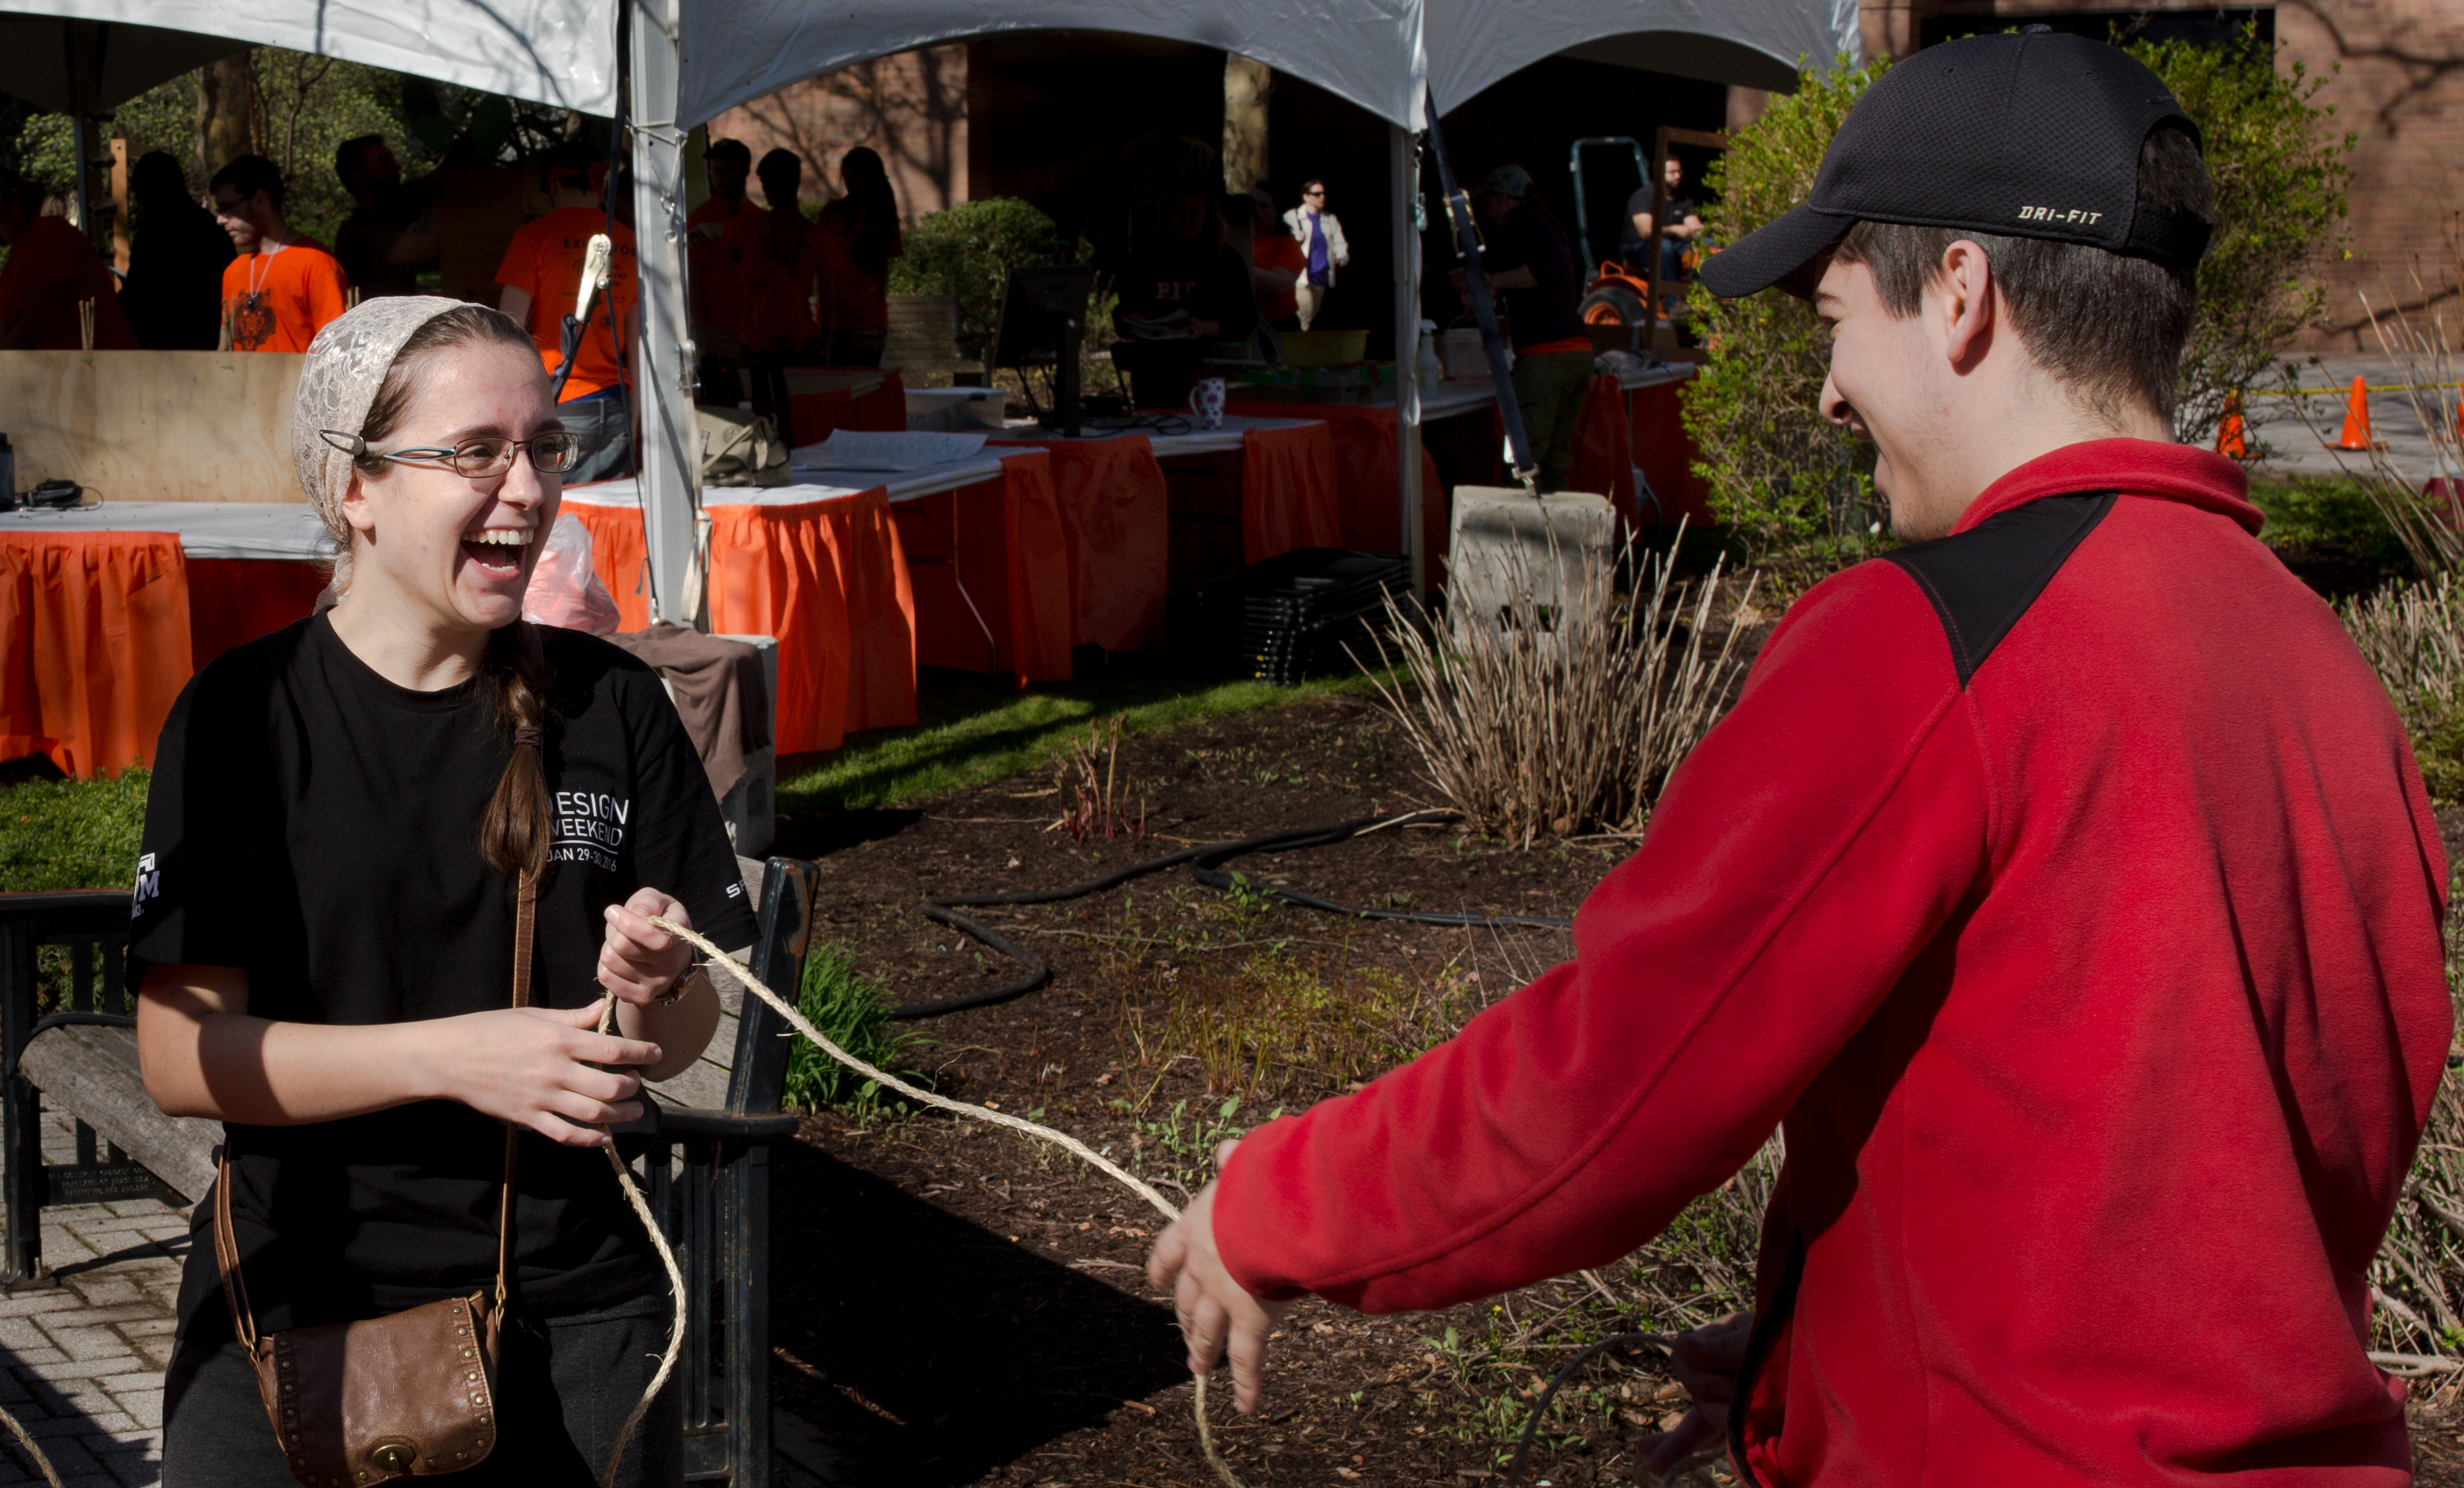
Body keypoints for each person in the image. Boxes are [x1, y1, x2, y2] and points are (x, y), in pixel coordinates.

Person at [1148, 31, 2453, 1486]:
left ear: (1958, 295)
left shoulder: (1918, 640)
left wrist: (1268, 1207)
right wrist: (1835, 1339)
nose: (1827, 393)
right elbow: (2265, 1139)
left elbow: (1611, 1088)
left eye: (1834, 319)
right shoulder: (2314, 657)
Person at [137, 294, 754, 1484]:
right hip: (303, 1305)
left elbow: (674, 1039)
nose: (527, 488)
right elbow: (178, 1058)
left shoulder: (612, 703)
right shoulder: (240, 718)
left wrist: (654, 984)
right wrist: (459, 1056)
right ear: (353, 488)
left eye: (543, 446)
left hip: (577, 1313)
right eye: (475, 451)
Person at [496, 147, 640, 484]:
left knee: (558, 527)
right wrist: (635, 422)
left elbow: (506, 331)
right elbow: (639, 347)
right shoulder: (630, 243)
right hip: (618, 406)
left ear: (553, 187)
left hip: (560, 404)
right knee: (610, 525)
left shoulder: (534, 237)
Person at [1450, 165, 1591, 492]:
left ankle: (1517, 537)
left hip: (1547, 357)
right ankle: (1557, 537)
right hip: (1577, 354)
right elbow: (1549, 291)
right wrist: (1507, 322)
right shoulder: (1546, 226)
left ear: (1503, 199)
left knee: (1523, 460)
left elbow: (1544, 272)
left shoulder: (1522, 221)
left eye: (1488, 200)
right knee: (1554, 463)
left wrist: (1491, 282)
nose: (1486, 210)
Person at [726, 148, 842, 431]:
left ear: (766, 186)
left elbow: (731, 281)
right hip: (803, 343)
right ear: (797, 183)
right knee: (803, 420)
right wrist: (825, 347)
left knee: (758, 424)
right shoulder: (819, 238)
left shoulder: (743, 228)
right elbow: (828, 302)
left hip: (756, 345)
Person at [1111, 186, 1256, 410]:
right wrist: (1130, 322)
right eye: (1178, 212)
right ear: (1165, 214)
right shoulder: (1141, 259)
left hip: (1208, 369)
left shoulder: (1225, 260)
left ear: (1207, 216)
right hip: (1154, 370)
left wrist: (1207, 328)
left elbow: (1245, 318)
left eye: (1194, 213)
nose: (1185, 219)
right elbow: (1124, 313)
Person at [211, 154, 348, 353]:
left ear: (260, 200)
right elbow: (224, 351)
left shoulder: (317, 263)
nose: (220, 220)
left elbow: (335, 352)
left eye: (227, 208)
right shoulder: (234, 270)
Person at [0, 170, 137, 350]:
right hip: (79, 372)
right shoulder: (11, 268)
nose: (0, 206)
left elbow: (39, 317)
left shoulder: (53, 233)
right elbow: (5, 331)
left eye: (6, 196)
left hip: (114, 368)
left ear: (23, 197)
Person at [118, 152, 233, 350]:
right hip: (204, 345)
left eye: (140, 190)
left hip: (173, 347)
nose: (139, 198)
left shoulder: (151, 235)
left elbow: (138, 297)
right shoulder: (210, 227)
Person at [815, 146, 902, 368]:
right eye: (846, 178)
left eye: (855, 177)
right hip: (839, 319)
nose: (849, 184)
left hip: (869, 320)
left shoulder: (883, 215)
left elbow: (882, 269)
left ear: (871, 177)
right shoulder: (832, 213)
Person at [333, 134, 441, 300]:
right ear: (360, 179)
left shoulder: (394, 211)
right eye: (384, 162)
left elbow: (436, 181)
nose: (397, 167)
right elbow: (432, 247)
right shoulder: (357, 234)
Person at [687, 136, 756, 388]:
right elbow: (692, 276)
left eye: (727, 171)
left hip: (756, 329)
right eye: (715, 172)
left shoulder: (757, 217)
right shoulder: (701, 218)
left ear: (745, 170)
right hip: (717, 331)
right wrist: (702, 331)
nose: (720, 178)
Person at [1622, 151, 1703, 287]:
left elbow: (1694, 226)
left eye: (1679, 172)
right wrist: (1675, 230)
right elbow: (1646, 233)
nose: (1678, 176)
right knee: (1663, 247)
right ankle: (1671, 301)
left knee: (1706, 245)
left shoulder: (1682, 197)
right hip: (1639, 248)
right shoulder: (1643, 197)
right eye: (1672, 172)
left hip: (1675, 244)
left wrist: (1709, 230)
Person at [1279, 178, 1347, 329]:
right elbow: (1281, 241)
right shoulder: (1293, 217)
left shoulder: (1329, 220)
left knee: (1313, 317)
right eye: (1317, 194)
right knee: (1305, 317)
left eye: (1323, 194)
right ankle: (1302, 349)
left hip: (1320, 278)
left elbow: (1340, 242)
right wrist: (1297, 237)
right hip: (1302, 278)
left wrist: (1340, 256)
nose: (1322, 197)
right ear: (1306, 196)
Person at [1243, 185, 1305, 332]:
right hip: (1246, 322)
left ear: (1277, 211)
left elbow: (1280, 284)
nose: (1255, 210)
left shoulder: (1287, 244)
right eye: (1252, 204)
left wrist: (1241, 266)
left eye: (1263, 206)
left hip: (1279, 324)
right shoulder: (1238, 239)